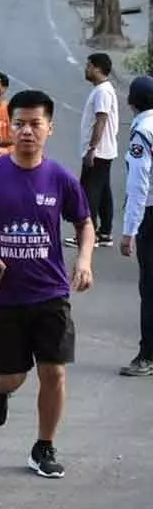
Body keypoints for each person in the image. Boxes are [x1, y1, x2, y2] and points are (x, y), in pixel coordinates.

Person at [0, 89, 94, 479]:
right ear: (9, 127)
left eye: (35, 124)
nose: (27, 131)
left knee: (55, 372)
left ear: (50, 128)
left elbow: (84, 222)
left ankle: (43, 447)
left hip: (50, 292)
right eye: (19, 124)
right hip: (4, 295)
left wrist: (83, 261)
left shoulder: (60, 178)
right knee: (13, 376)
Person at [119, 75, 153, 376]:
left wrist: (130, 230)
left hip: (151, 217)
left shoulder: (142, 130)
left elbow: (139, 185)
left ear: (132, 102)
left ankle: (148, 355)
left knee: (150, 288)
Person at [70, 53, 119, 248]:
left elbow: (101, 119)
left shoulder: (103, 92)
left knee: (88, 192)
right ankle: (105, 232)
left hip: (98, 151)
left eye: (89, 66)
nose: (86, 69)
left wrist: (92, 148)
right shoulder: (102, 90)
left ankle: (89, 235)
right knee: (103, 191)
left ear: (98, 68)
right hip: (104, 151)